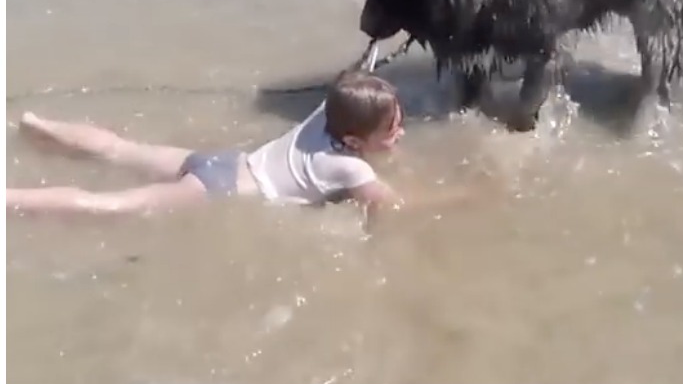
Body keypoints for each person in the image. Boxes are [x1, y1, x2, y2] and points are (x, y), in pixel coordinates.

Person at [6, 69, 477, 229]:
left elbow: (352, 86)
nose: (401, 133)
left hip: (223, 161)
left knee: (117, 148)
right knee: (106, 208)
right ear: (355, 142)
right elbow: (395, 208)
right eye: (393, 129)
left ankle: (37, 125)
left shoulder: (324, 115)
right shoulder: (349, 170)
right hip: (218, 189)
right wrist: (465, 197)